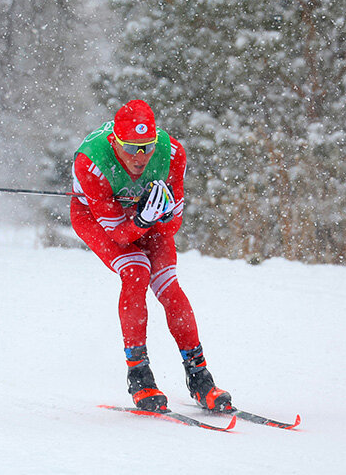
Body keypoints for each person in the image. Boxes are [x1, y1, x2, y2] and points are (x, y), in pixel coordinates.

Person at [70, 99, 231, 412]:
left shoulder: (172, 154)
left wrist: (161, 215)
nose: (140, 157)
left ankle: (199, 376)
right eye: (131, 148)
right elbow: (117, 234)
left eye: (146, 147)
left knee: (168, 285)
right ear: (115, 142)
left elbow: (173, 226)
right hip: (97, 217)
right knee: (136, 270)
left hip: (146, 218)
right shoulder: (90, 162)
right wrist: (141, 219)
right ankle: (139, 374)